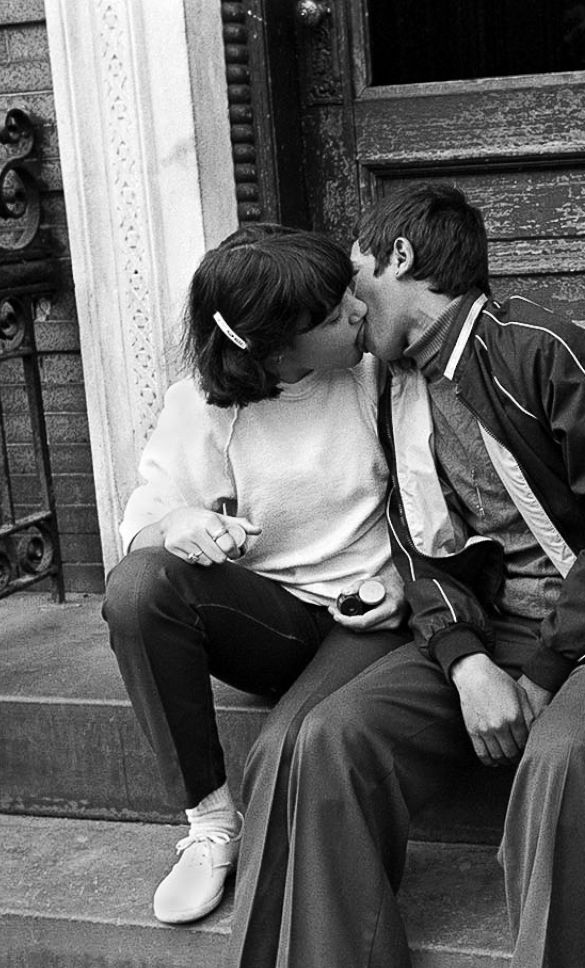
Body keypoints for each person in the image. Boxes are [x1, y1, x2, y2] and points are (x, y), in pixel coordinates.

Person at [202, 182, 585, 968]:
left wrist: (541, 674)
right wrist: (467, 662)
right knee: (331, 737)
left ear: (400, 259)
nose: (349, 309)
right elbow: (417, 541)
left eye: (356, 279)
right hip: (485, 630)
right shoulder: (396, 384)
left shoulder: (546, 350)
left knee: (561, 758)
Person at [102, 226, 406, 926]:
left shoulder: (375, 372)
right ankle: (210, 825)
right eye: (331, 317)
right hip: (276, 622)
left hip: (372, 618)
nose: (357, 311)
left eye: (345, 296)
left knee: (291, 746)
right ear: (269, 347)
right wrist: (178, 524)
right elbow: (138, 536)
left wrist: (408, 585)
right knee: (139, 587)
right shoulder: (203, 410)